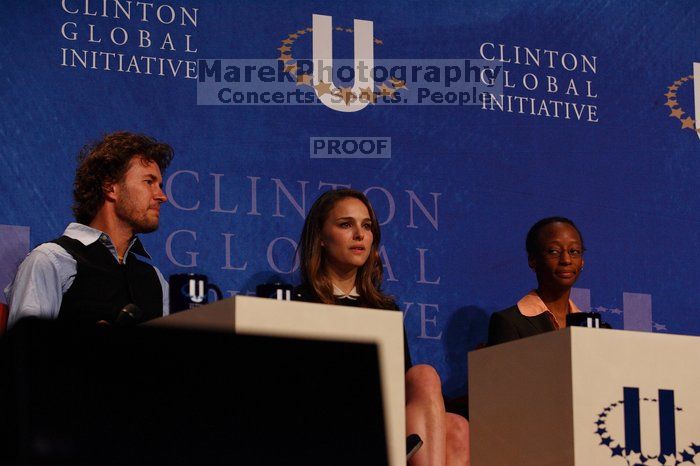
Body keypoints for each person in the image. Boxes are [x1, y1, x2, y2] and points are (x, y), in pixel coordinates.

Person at [294, 189, 469, 466]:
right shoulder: (298, 302)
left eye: (366, 226)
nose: (359, 234)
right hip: (327, 418)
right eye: (345, 225)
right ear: (321, 238)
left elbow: (403, 385)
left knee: (454, 421)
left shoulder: (384, 309)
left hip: (384, 418)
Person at [5, 131, 173, 327]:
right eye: (149, 182)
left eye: (159, 185)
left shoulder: (156, 281)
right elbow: (23, 352)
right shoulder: (50, 261)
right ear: (110, 187)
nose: (162, 196)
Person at [488, 216, 585, 346]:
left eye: (574, 251)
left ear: (582, 262)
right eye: (554, 251)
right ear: (533, 260)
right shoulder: (510, 322)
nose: (566, 260)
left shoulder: (592, 328)